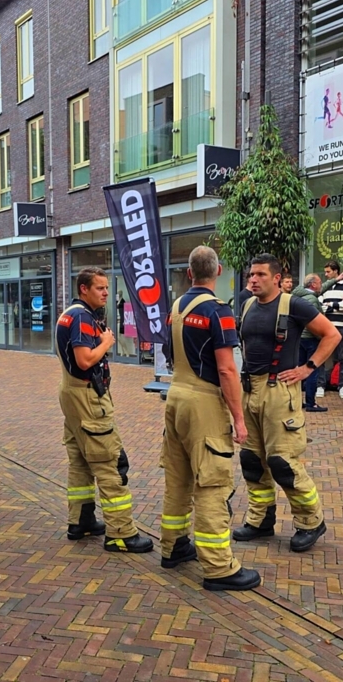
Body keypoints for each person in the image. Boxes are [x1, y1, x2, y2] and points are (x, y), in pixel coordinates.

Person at [161, 246, 261, 591]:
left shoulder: (176, 308)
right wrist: (239, 418)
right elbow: (226, 369)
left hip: (175, 397)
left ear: (190, 273)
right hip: (204, 402)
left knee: (178, 478)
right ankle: (219, 567)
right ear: (217, 272)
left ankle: (173, 546)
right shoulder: (218, 311)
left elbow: (169, 353)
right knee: (212, 482)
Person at [234, 254, 341, 553]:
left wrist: (308, 367)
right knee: (252, 461)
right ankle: (261, 519)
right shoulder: (247, 305)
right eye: (250, 275)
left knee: (283, 462)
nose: (253, 280)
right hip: (250, 390)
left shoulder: (293, 304)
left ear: (277, 278)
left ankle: (310, 522)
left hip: (279, 391)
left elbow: (331, 335)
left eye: (259, 275)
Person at [56, 267, 153, 553]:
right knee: (110, 462)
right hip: (88, 398)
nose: (106, 293)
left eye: (107, 288)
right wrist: (107, 342)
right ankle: (121, 533)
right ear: (84, 289)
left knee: (81, 461)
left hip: (71, 394)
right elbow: (85, 360)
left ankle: (81, 521)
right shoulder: (83, 317)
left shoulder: (69, 313)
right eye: (99, 288)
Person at [318, 260, 343, 400]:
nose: (326, 274)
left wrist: (330, 304)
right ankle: (320, 385)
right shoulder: (324, 287)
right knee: (321, 356)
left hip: (341, 326)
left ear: (336, 271)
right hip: (326, 326)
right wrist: (337, 304)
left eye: (328, 272)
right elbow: (321, 306)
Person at [296, 274, 327, 413]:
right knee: (311, 370)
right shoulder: (313, 301)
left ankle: (297, 400)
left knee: (298, 370)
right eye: (320, 282)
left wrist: (335, 280)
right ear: (313, 285)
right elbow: (314, 323)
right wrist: (321, 337)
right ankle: (311, 403)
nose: (321, 284)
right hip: (310, 338)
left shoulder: (298, 296)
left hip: (300, 338)